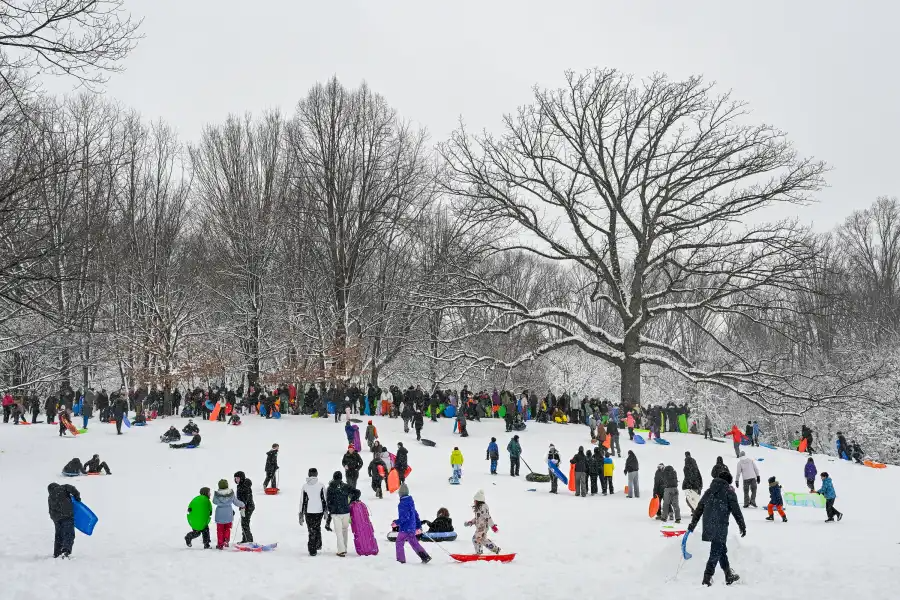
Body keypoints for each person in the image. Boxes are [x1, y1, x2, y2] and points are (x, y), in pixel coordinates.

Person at [687, 470, 745, 587]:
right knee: (716, 552)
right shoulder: (729, 492)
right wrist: (742, 525)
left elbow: (699, 508)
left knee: (721, 549)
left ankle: (728, 575)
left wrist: (693, 524)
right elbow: (736, 511)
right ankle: (707, 578)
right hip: (720, 525)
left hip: (708, 525)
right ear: (728, 482)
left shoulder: (709, 491)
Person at [394, 483, 432, 564]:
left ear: (400, 493)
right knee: (414, 542)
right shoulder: (410, 502)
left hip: (405, 528)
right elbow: (415, 515)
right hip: (411, 527)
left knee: (399, 542)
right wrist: (418, 526)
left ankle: (401, 560)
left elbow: (405, 517)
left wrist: (396, 522)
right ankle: (425, 557)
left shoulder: (402, 504)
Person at [326, 471, 360, 557]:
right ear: (341, 478)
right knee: (344, 530)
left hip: (336, 513)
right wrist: (351, 500)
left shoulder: (330, 488)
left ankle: (341, 550)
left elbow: (328, 501)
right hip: (345, 511)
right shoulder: (345, 486)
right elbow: (357, 492)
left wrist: (331, 509)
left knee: (339, 532)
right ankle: (344, 548)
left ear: (333, 477)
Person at [47, 482, 81, 558]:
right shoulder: (63, 487)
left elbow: (50, 510)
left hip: (56, 519)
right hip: (67, 516)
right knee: (68, 534)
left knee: (59, 535)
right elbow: (72, 488)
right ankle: (66, 550)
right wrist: (77, 497)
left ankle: (57, 553)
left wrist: (55, 519)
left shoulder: (50, 497)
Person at [299, 468, 328, 556]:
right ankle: (317, 544)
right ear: (316, 474)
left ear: (309, 474)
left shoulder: (305, 486)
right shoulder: (321, 485)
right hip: (319, 511)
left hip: (309, 511)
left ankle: (312, 549)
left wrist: (301, 513)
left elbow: (302, 501)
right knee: (317, 527)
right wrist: (326, 511)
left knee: (311, 530)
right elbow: (324, 499)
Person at [464, 489, 500, 555]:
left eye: (475, 500)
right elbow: (477, 518)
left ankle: (479, 553)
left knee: (475, 539)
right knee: (483, 540)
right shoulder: (479, 508)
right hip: (481, 527)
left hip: (482, 528)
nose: (474, 501)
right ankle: (496, 549)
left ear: (478, 500)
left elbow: (488, 517)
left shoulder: (483, 508)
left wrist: (493, 526)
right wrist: (471, 522)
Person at [212, 478, 244, 549]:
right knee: (227, 528)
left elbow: (214, 501)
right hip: (228, 514)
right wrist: (242, 504)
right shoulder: (231, 493)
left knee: (220, 530)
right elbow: (236, 502)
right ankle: (226, 540)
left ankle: (220, 544)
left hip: (220, 514)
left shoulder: (217, 494)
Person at [234, 471, 255, 543]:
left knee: (244, 524)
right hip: (245, 507)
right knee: (244, 523)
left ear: (242, 478)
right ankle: (245, 539)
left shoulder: (244, 486)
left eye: (238, 478)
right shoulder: (241, 485)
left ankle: (248, 541)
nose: (236, 480)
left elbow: (246, 498)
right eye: (235, 478)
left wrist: (243, 507)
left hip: (248, 507)